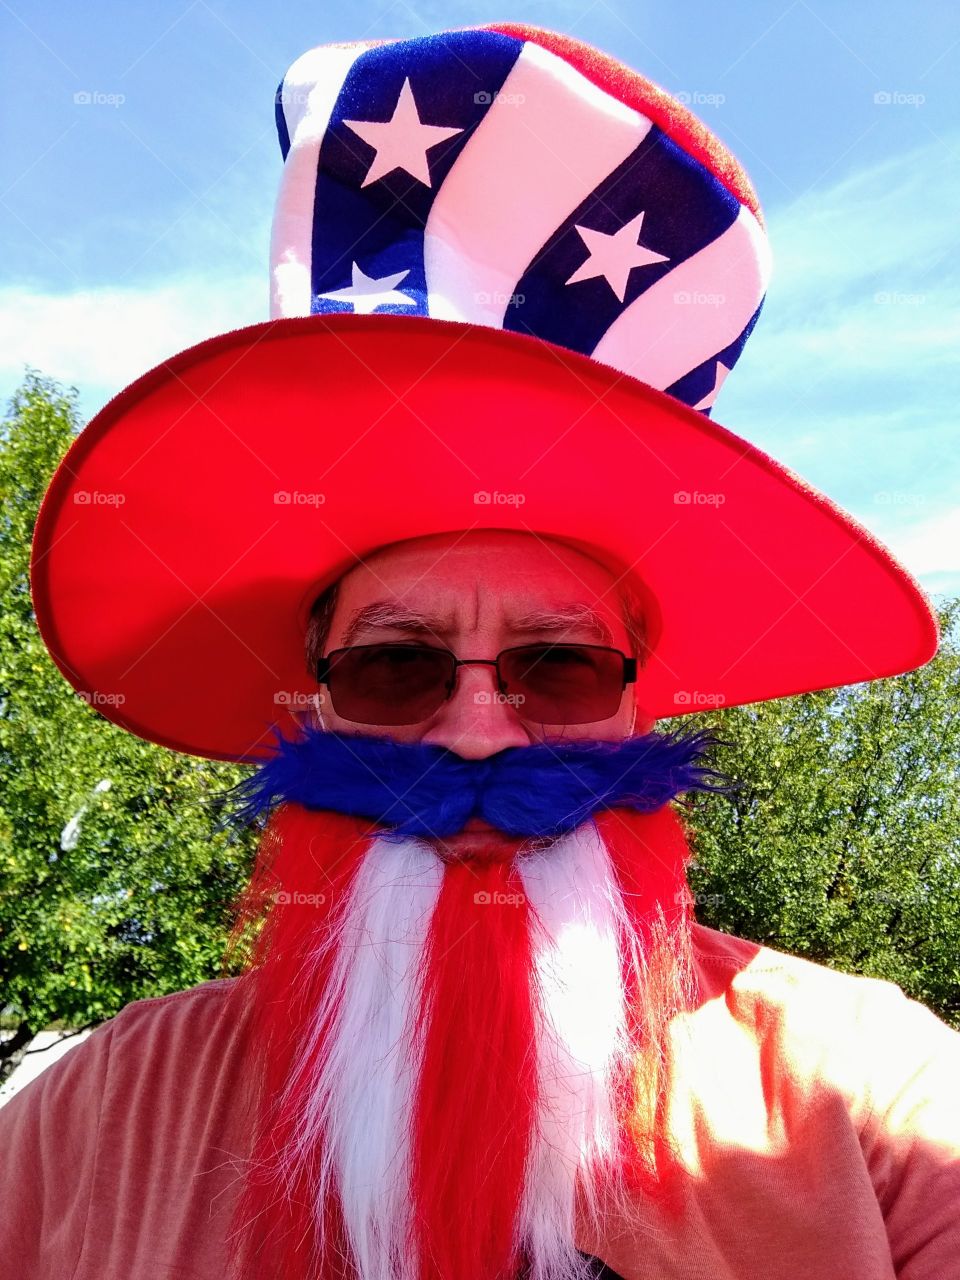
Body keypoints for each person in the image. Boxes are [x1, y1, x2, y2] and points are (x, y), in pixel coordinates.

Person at [4, 22, 959, 1280]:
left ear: (633, 707)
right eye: (393, 670)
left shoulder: (867, 1087)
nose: (474, 731)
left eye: (555, 668)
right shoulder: (95, 1110)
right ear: (316, 706)